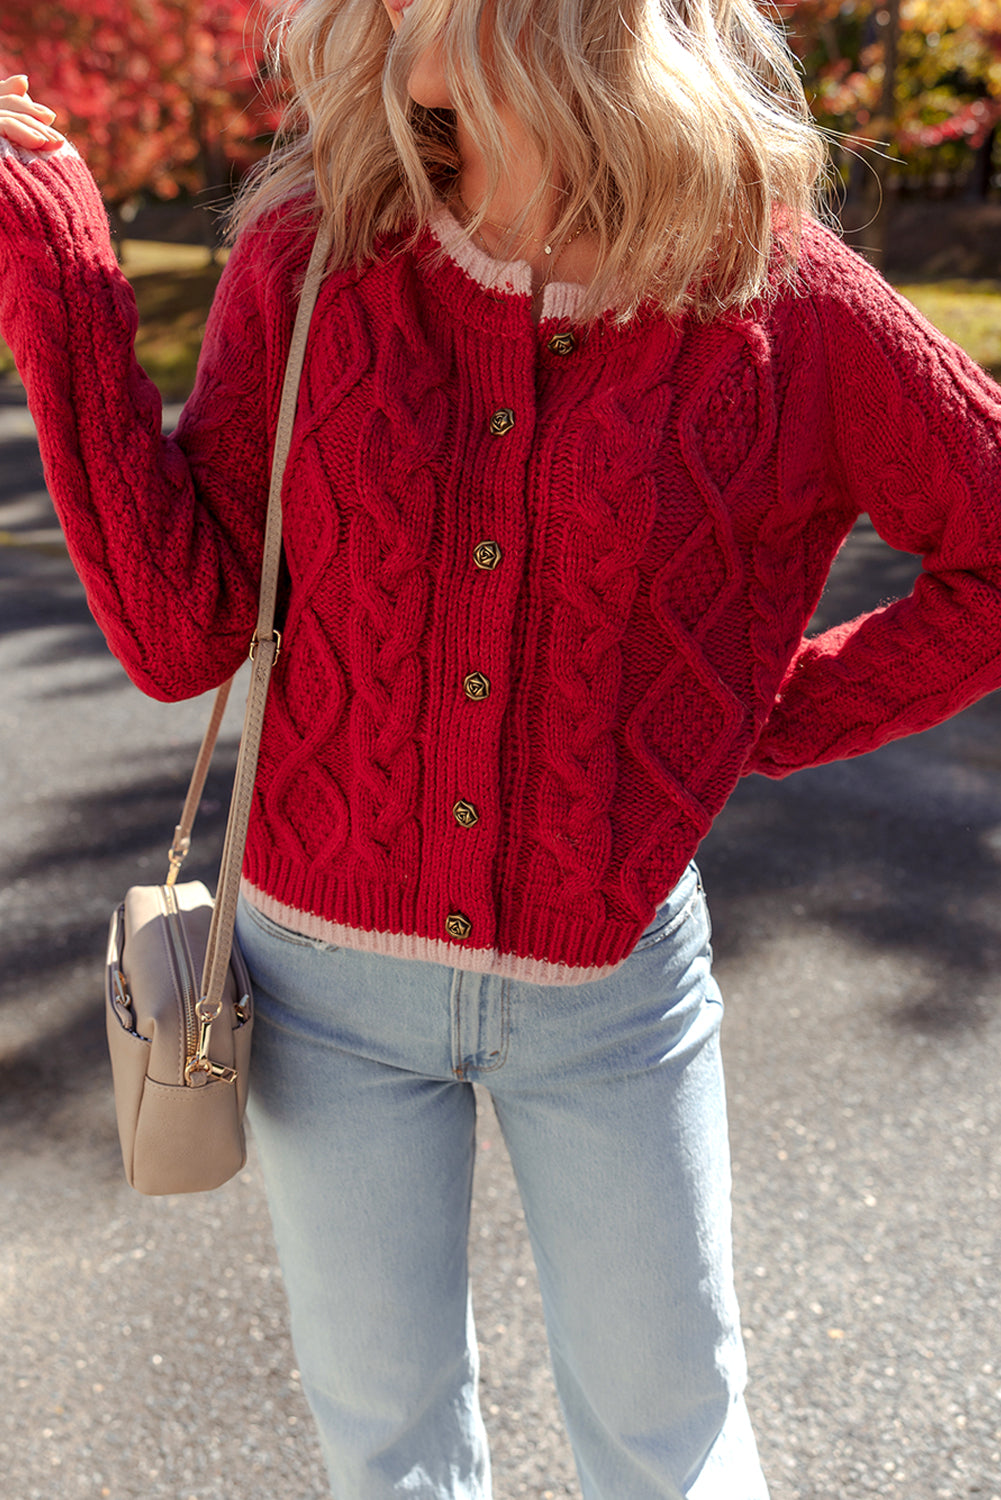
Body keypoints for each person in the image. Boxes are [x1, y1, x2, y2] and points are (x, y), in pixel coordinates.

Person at [1, 0, 1000, 1494]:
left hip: (611, 995)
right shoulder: (314, 258)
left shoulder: (783, 298)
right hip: (315, 976)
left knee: (670, 1436)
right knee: (385, 1440)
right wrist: (63, 277)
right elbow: (183, 636)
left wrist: (735, 725)